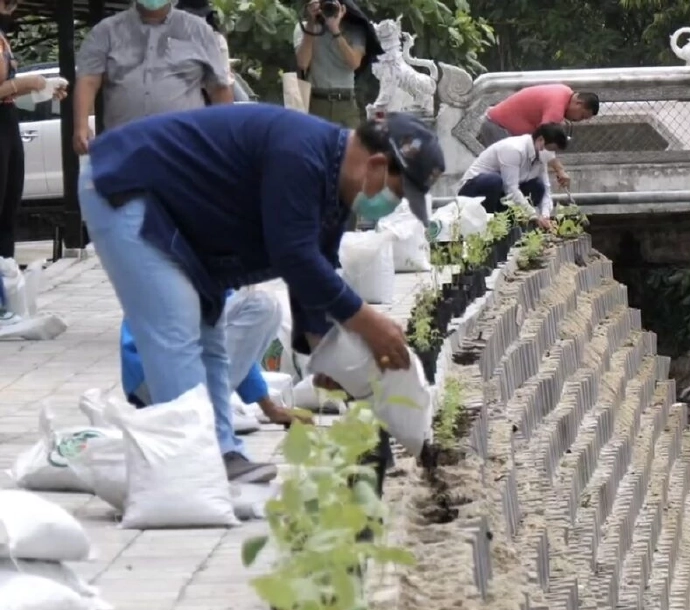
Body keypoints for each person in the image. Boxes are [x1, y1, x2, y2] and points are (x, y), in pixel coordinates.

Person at [78, 104, 442, 483]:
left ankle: (223, 454)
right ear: (378, 165)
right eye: (398, 194)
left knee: (211, 340)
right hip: (124, 184)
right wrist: (368, 321)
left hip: (180, 218)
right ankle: (191, 468)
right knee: (176, 325)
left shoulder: (333, 191)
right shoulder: (301, 152)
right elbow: (293, 255)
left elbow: (313, 273)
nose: (393, 204)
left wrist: (327, 356)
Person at [121, 287, 304, 437]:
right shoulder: (191, 262)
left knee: (266, 305)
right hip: (158, 381)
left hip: (156, 380)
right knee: (261, 303)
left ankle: (209, 405)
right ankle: (206, 409)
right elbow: (218, 344)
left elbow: (238, 347)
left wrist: (270, 408)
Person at [72, 0, 233, 155]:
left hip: (184, 148)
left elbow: (219, 88)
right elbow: (88, 80)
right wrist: (81, 125)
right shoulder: (105, 31)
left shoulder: (199, 31)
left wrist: (225, 136)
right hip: (124, 147)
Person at [0, 0, 66, 260]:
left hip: (7, 120)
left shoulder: (3, 37)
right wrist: (27, 82)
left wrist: (41, 86)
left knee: (8, 209)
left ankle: (4, 286)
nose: (11, 8)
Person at [479, 85, 599, 188]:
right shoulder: (556, 107)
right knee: (509, 178)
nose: (578, 120)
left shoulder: (564, 91)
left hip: (502, 128)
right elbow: (545, 144)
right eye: (582, 116)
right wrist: (560, 170)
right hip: (499, 127)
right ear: (579, 103)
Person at [459, 123, 568, 232]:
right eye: (551, 149)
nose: (552, 155)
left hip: (501, 196)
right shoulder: (514, 149)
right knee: (494, 180)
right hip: (474, 193)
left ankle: (507, 228)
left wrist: (545, 215)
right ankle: (485, 226)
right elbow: (510, 189)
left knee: (538, 186)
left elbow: (546, 188)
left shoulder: (540, 157)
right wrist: (533, 214)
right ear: (540, 140)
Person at [294, 0, 368, 128]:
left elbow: (354, 63)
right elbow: (303, 63)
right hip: (317, 101)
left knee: (349, 145)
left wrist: (335, 29)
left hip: (346, 103)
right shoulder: (305, 28)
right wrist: (311, 23)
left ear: (343, 6)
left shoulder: (355, 29)